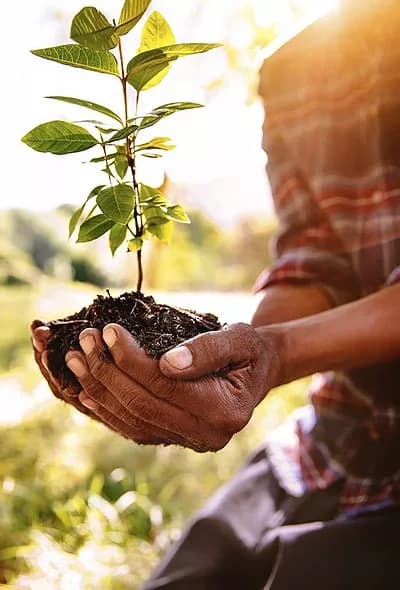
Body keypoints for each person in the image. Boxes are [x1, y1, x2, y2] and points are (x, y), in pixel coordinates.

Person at [32, 0, 400, 587]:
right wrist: (246, 354)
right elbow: (313, 261)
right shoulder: (297, 72)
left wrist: (280, 351)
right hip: (337, 437)